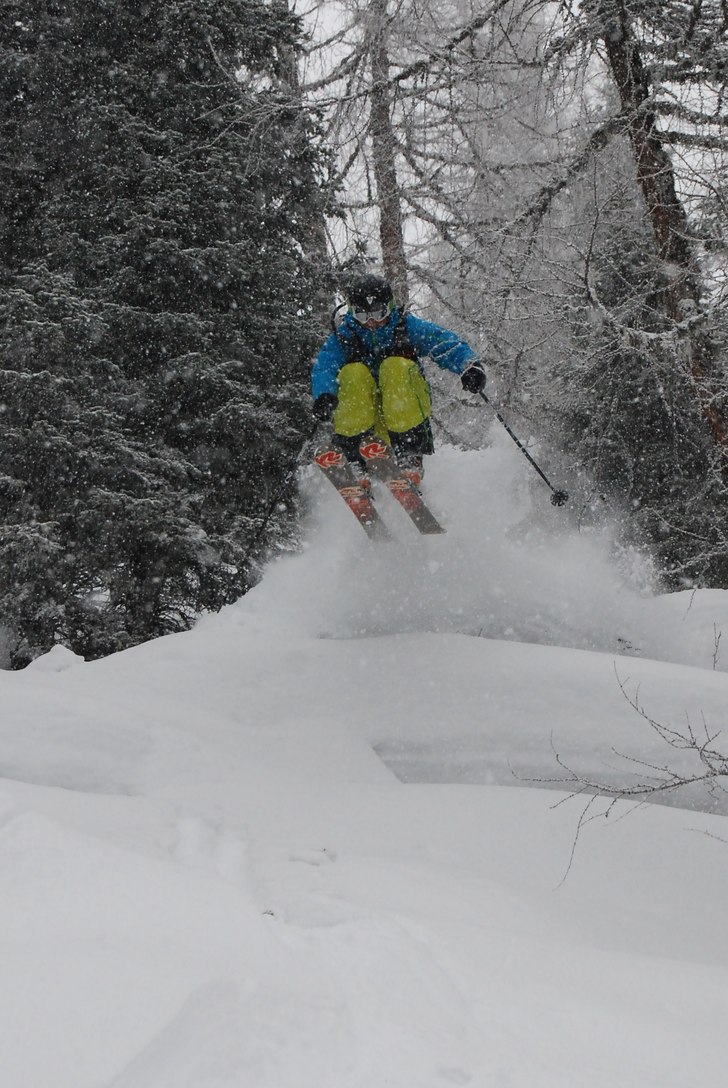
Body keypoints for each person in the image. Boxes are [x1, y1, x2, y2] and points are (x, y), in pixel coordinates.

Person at [311, 274, 486, 489]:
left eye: (378, 313)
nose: (371, 322)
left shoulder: (405, 327)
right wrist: (324, 395)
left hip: (404, 414)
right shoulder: (344, 337)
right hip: (368, 422)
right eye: (363, 315)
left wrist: (469, 366)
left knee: (394, 367)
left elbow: (443, 342)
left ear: (390, 307)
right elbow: (325, 366)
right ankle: (355, 459)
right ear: (352, 312)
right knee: (351, 374)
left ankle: (409, 457)